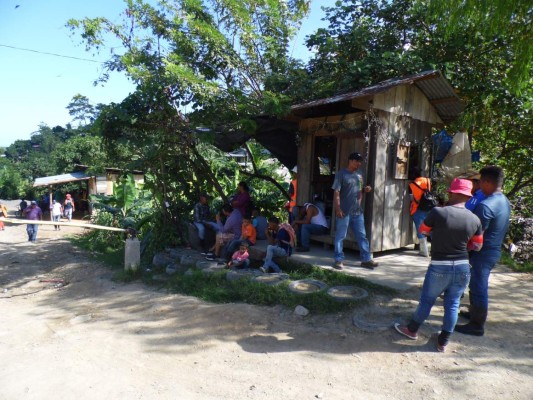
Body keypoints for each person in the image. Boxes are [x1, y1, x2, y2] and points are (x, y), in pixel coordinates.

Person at [394, 178, 483, 352]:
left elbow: (423, 231)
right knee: (453, 304)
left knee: (427, 300)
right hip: (463, 267)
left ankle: (412, 330)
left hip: (440, 266)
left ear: (453, 193)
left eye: (450, 192)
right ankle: (443, 341)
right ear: (467, 197)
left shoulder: (438, 212)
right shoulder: (475, 220)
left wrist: (439, 235)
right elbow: (477, 246)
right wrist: (465, 244)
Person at [455, 166, 511, 337]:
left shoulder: (485, 206)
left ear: (486, 182)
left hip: (483, 252)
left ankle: (477, 325)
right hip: (494, 250)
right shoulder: (504, 200)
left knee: (478, 286)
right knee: (477, 284)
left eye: (479, 182)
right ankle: (473, 313)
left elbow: (476, 234)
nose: (477, 186)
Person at [332, 152, 378, 270]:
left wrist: (365, 189)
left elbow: (360, 190)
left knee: (362, 236)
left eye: (360, 161)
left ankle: (366, 260)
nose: (359, 163)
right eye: (357, 161)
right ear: (350, 161)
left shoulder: (359, 174)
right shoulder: (341, 174)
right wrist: (338, 208)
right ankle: (338, 260)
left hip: (357, 212)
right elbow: (336, 192)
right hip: (344, 211)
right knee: (340, 236)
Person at [409, 175, 432, 257]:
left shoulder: (414, 184)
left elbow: (412, 196)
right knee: (430, 229)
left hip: (418, 209)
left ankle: (424, 250)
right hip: (428, 207)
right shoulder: (428, 182)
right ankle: (434, 250)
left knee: (420, 229)